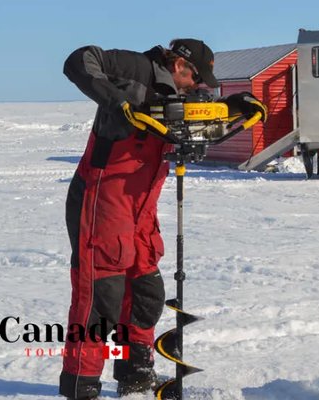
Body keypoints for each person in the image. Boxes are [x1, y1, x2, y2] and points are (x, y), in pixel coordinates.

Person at [61, 39, 267, 399]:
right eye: (195, 79)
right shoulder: (135, 68)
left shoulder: (177, 96)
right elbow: (78, 60)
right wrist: (117, 101)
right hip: (101, 200)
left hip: (141, 208)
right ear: (179, 66)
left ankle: (135, 375)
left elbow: (203, 115)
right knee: (102, 297)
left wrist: (238, 104)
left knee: (146, 292)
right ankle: (82, 385)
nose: (196, 88)